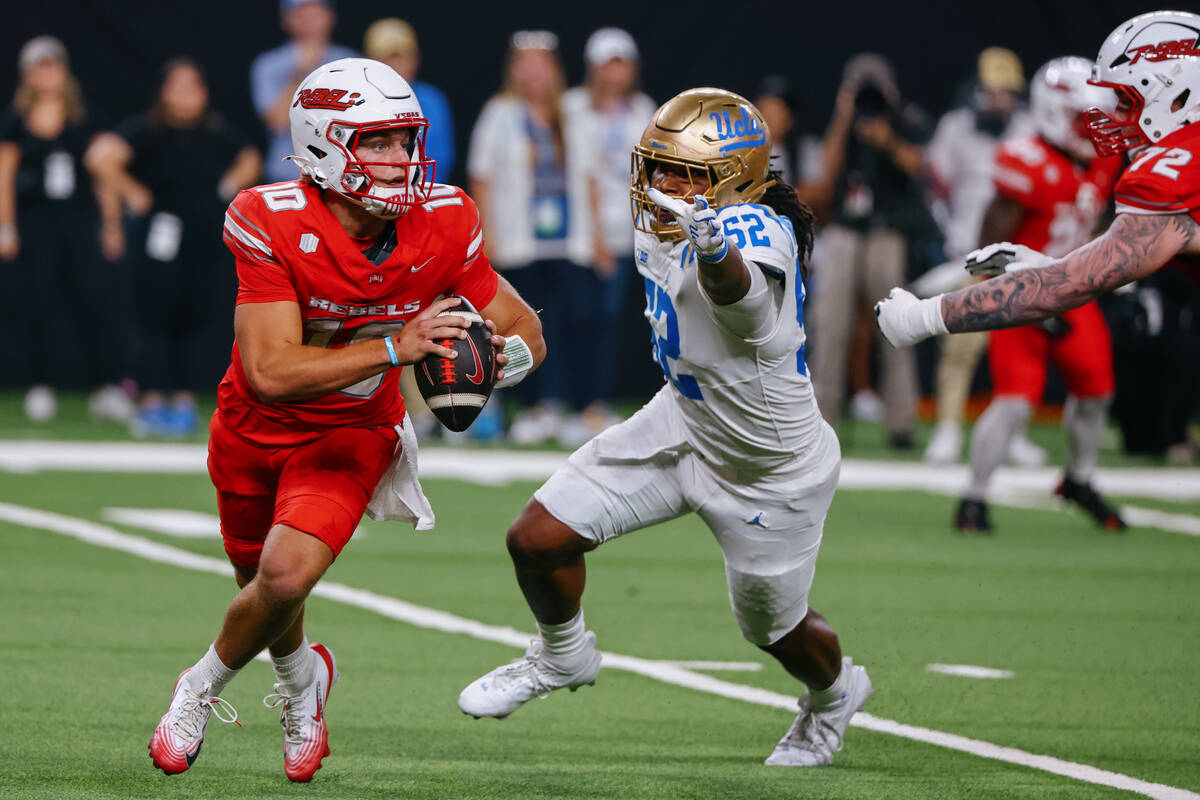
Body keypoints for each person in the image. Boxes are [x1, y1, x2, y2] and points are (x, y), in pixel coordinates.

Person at [146, 58, 544, 782]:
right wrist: (397, 345)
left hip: (350, 434)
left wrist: (488, 363)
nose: (400, 161)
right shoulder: (268, 216)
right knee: (262, 591)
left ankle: (198, 687)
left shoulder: (446, 220)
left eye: (405, 140)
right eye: (379, 143)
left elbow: (525, 332)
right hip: (253, 427)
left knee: (286, 577)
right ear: (324, 143)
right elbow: (270, 372)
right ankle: (303, 682)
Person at [458, 89, 873, 768]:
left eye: (686, 173)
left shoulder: (752, 231)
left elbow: (749, 317)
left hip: (767, 467)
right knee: (536, 538)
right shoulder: (665, 220)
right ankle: (563, 656)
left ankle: (833, 697)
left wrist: (715, 254)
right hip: (682, 419)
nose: (663, 185)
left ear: (736, 180)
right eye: (657, 167)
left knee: (776, 631)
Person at [876, 11, 1200, 474]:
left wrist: (923, 315)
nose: (1115, 120)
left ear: (1176, 89)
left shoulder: (1171, 169)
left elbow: (1072, 283)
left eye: (1128, 101)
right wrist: (1056, 264)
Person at [948, 57, 1124, 533]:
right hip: (1022, 294)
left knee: (1097, 393)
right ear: (1052, 111)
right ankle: (973, 499)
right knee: (1015, 401)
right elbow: (985, 252)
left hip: (1076, 290)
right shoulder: (1025, 159)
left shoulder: (1104, 157)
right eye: (1082, 117)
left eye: (1097, 117)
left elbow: (1101, 225)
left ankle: (1079, 479)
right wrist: (1023, 301)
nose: (1092, 127)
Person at [86, 58, 262, 436]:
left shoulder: (214, 132)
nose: (186, 95)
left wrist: (228, 185)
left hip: (203, 237)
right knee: (155, 314)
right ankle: (150, 399)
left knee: (193, 314)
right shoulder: (148, 130)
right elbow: (100, 157)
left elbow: (250, 157)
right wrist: (133, 192)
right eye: (177, 86)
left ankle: (183, 400)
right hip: (159, 237)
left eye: (193, 86)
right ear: (163, 92)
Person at [921, 47, 1043, 465]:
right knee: (960, 349)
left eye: (1006, 92)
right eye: (991, 92)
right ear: (976, 91)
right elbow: (936, 188)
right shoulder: (955, 128)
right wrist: (952, 235)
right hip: (967, 256)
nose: (998, 100)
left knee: (1020, 349)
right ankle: (948, 428)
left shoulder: (1032, 128)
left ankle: (1014, 435)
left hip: (1016, 257)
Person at [0, 36, 130, 423]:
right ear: (27, 74)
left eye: (52, 65)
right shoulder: (15, 120)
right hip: (36, 220)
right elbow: (4, 176)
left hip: (78, 219)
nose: (47, 73)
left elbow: (102, 173)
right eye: (39, 66)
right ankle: (39, 385)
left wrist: (112, 224)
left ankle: (106, 386)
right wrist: (6, 227)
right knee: (37, 301)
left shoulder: (84, 116)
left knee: (92, 299)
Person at [468, 30, 585, 444]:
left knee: (568, 324)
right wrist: (487, 235)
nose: (534, 71)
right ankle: (531, 408)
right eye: (526, 62)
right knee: (520, 322)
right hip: (519, 240)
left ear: (553, 69)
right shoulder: (499, 113)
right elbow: (481, 175)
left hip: (566, 240)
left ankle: (563, 407)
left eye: (542, 62)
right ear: (514, 69)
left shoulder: (571, 111)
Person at [807, 54, 928, 449]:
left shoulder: (905, 120)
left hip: (886, 232)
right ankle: (822, 422)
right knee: (830, 327)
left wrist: (887, 138)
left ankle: (901, 424)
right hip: (844, 232)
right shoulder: (844, 123)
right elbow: (826, 172)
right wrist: (844, 117)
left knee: (897, 325)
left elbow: (918, 166)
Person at [558, 27, 656, 445]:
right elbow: (579, 173)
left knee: (609, 323)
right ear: (595, 67)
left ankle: (593, 404)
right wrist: (595, 235)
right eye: (609, 62)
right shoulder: (573, 107)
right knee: (574, 319)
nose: (617, 71)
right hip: (578, 236)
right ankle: (570, 404)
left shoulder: (643, 109)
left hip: (629, 235)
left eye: (623, 62)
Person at [250, 0, 356, 184]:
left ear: (330, 16)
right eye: (302, 12)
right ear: (287, 19)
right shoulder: (268, 65)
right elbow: (277, 121)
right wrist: (302, 71)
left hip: (342, 171)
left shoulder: (350, 62)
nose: (310, 18)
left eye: (317, 10)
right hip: (288, 173)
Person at [363, 18, 455, 179]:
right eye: (387, 58)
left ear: (415, 59)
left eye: (402, 57)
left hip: (423, 193)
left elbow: (442, 159)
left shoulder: (433, 100)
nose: (395, 66)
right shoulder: (358, 102)